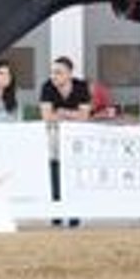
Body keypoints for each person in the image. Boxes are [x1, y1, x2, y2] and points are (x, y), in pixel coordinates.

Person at [40, 57, 91, 227]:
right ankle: (56, 213)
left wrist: (62, 111)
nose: (54, 76)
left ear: (69, 74)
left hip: (76, 137)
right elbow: (47, 117)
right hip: (54, 136)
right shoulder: (47, 87)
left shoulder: (81, 86)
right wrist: (72, 114)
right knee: (55, 172)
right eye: (52, 72)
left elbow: (84, 117)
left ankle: (74, 212)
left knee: (75, 173)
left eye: (58, 72)